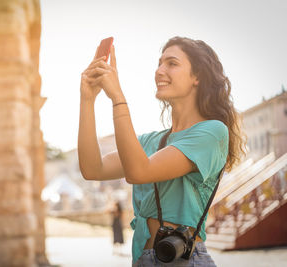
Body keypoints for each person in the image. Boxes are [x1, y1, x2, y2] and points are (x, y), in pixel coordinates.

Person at [78, 36, 245, 266]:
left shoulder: (212, 132)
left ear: (197, 77)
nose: (159, 71)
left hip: (183, 260)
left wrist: (117, 97)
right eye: (159, 63)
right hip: (143, 260)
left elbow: (139, 172)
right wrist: (87, 99)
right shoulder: (150, 141)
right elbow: (92, 168)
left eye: (172, 63)